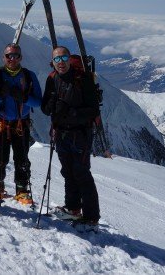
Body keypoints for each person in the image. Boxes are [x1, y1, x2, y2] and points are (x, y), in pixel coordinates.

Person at [41, 46, 101, 226]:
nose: (60, 62)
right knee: (68, 171)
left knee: (81, 173)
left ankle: (91, 217)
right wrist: (54, 104)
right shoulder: (52, 79)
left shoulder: (83, 79)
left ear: (69, 59)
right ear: (52, 62)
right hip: (61, 133)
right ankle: (73, 208)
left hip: (80, 134)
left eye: (64, 58)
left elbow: (93, 110)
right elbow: (45, 108)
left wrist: (71, 113)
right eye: (57, 59)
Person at [0, 43, 42, 204]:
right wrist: (0, 96)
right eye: (9, 56)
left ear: (21, 57)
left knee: (22, 158)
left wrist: (24, 97)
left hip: (21, 124)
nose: (12, 59)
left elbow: (38, 102)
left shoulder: (29, 76)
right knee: (1, 157)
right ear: (3, 57)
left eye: (15, 56)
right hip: (2, 123)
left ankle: (22, 189)